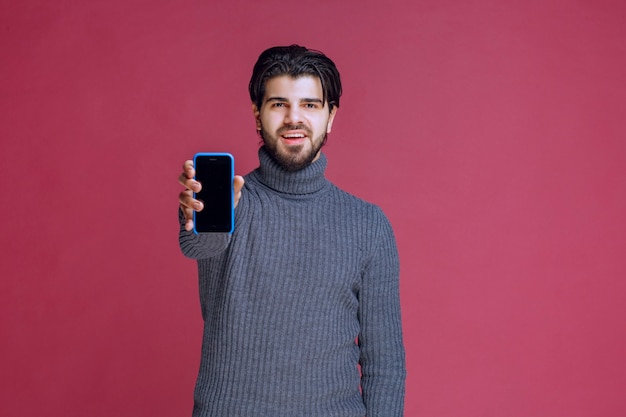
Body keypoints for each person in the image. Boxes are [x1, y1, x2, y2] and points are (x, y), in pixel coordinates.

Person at [178, 45, 405, 417]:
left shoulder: (368, 224)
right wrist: (195, 211)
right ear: (257, 114)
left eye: (310, 105)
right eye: (279, 104)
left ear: (331, 117)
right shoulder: (224, 199)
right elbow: (198, 245)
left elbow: (385, 363)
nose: (293, 118)